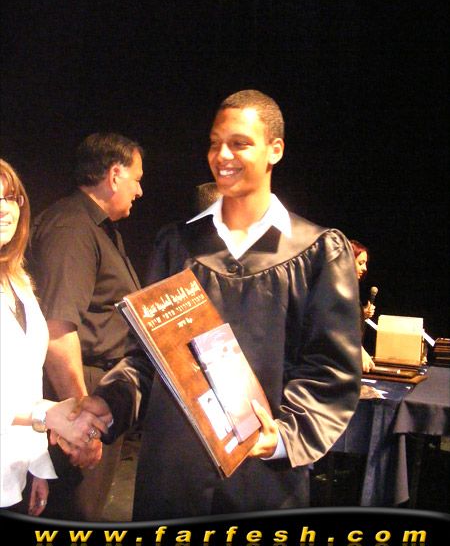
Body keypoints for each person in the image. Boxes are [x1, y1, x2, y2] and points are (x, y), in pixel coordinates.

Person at [84, 89, 362, 520]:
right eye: (215, 143)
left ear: (275, 150)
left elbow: (331, 370)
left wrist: (282, 437)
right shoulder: (178, 244)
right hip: (172, 477)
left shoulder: (316, 252)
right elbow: (148, 357)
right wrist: (110, 402)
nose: (222, 155)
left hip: (265, 480)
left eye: (239, 143)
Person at [28, 133, 144, 521]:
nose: (139, 190)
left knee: (86, 512)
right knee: (73, 515)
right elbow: (58, 332)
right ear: (114, 175)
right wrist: (83, 422)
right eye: (136, 179)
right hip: (78, 389)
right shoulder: (72, 227)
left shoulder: (99, 229)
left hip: (98, 390)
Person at [0, 159, 111, 516]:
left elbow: (26, 380)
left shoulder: (17, 280)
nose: (5, 210)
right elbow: (37, 407)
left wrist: (37, 467)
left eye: (11, 198)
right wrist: (47, 414)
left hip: (13, 474)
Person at [349, 239, 376, 373]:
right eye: (360, 263)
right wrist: (358, 349)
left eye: (365, 263)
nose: (365, 268)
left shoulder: (350, 289)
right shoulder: (334, 290)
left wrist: (362, 314)